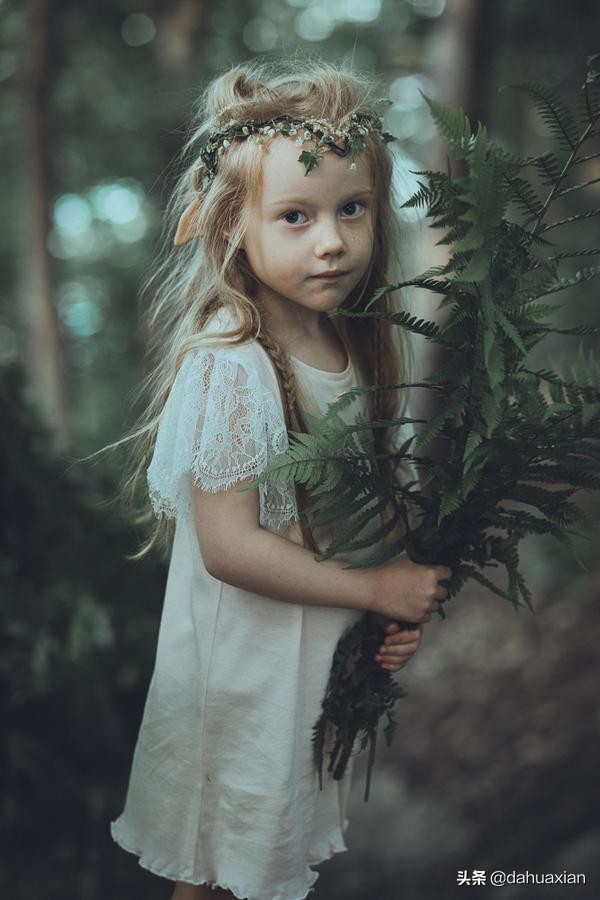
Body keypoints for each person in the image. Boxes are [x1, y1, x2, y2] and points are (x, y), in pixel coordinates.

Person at [108, 56, 452, 900]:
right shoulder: (234, 363)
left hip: (300, 668)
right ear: (232, 225)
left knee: (255, 872)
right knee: (216, 878)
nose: (331, 240)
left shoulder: (358, 346)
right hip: (238, 676)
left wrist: (386, 612)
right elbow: (228, 547)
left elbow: (352, 520)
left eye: (351, 209)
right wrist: (375, 589)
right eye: (294, 215)